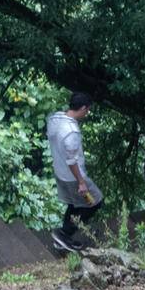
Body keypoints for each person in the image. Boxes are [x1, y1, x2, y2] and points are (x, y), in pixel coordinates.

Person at [48, 91, 101, 252]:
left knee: (74, 204)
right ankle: (64, 233)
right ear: (83, 108)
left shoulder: (54, 118)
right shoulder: (71, 131)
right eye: (88, 110)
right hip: (73, 176)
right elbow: (72, 160)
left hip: (59, 172)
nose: (87, 113)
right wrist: (81, 182)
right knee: (95, 202)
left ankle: (63, 238)